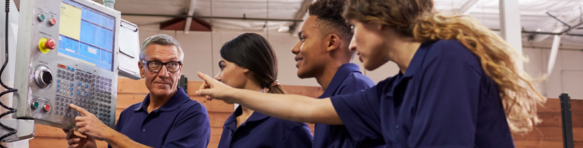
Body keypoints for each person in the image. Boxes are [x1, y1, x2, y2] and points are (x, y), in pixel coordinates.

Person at [195, 0, 546, 147]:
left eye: (356, 27)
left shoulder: (447, 59)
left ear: (377, 21)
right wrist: (231, 94)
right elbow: (310, 110)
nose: (353, 42)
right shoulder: (392, 91)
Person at [66, 34, 211, 148]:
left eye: (172, 64)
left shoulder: (193, 113)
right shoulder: (128, 115)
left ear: (179, 71)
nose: (164, 73)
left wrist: (107, 133)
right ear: (142, 69)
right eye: (155, 64)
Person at [293, 0, 378, 147]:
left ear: (331, 42)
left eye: (303, 39)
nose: (295, 48)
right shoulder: (334, 96)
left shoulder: (356, 89)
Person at [211, 33, 313, 148]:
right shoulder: (231, 122)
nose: (218, 77)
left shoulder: (286, 123)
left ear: (245, 65)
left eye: (223, 66)